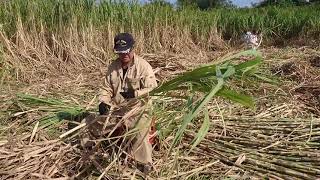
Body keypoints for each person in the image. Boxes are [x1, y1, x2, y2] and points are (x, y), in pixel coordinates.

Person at [98, 32, 158, 172]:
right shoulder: (113, 67)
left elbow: (153, 89)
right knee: (92, 123)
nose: (124, 55)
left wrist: (136, 93)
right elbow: (106, 88)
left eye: (127, 51)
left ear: (133, 48)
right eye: (120, 52)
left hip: (138, 110)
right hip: (118, 109)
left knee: (139, 129)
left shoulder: (143, 66)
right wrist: (103, 101)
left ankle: (144, 163)